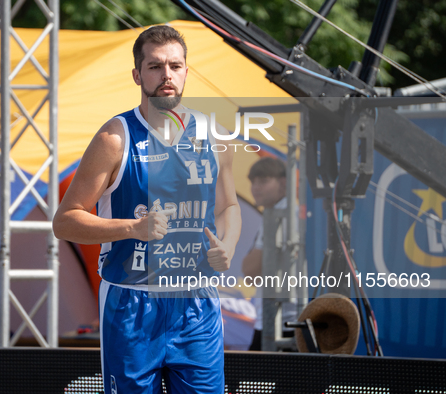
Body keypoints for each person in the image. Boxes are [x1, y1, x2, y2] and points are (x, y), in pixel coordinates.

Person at [53, 25, 241, 393]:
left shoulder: (214, 135)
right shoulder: (114, 138)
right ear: (138, 75)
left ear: (187, 71)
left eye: (174, 65)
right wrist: (132, 229)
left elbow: (229, 206)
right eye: (155, 67)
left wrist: (229, 244)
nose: (166, 75)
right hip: (131, 300)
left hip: (196, 301)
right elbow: (65, 221)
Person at [242, 157, 297, 351]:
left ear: (283, 182)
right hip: (280, 321)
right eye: (253, 182)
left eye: (263, 181)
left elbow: (251, 272)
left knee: (250, 379)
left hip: (280, 324)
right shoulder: (282, 214)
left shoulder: (281, 216)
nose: (255, 187)